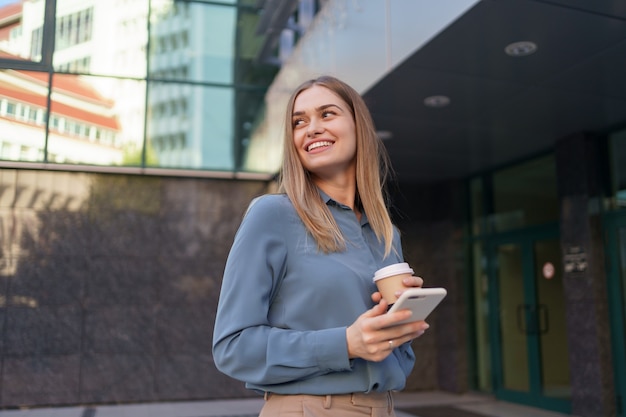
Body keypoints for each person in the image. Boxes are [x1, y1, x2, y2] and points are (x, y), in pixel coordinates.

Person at [212, 75, 429, 417]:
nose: (311, 128)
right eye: (299, 122)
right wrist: (344, 344)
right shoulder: (272, 215)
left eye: (327, 114)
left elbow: (389, 351)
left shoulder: (385, 233)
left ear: (358, 126)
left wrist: (401, 318)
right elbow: (232, 348)